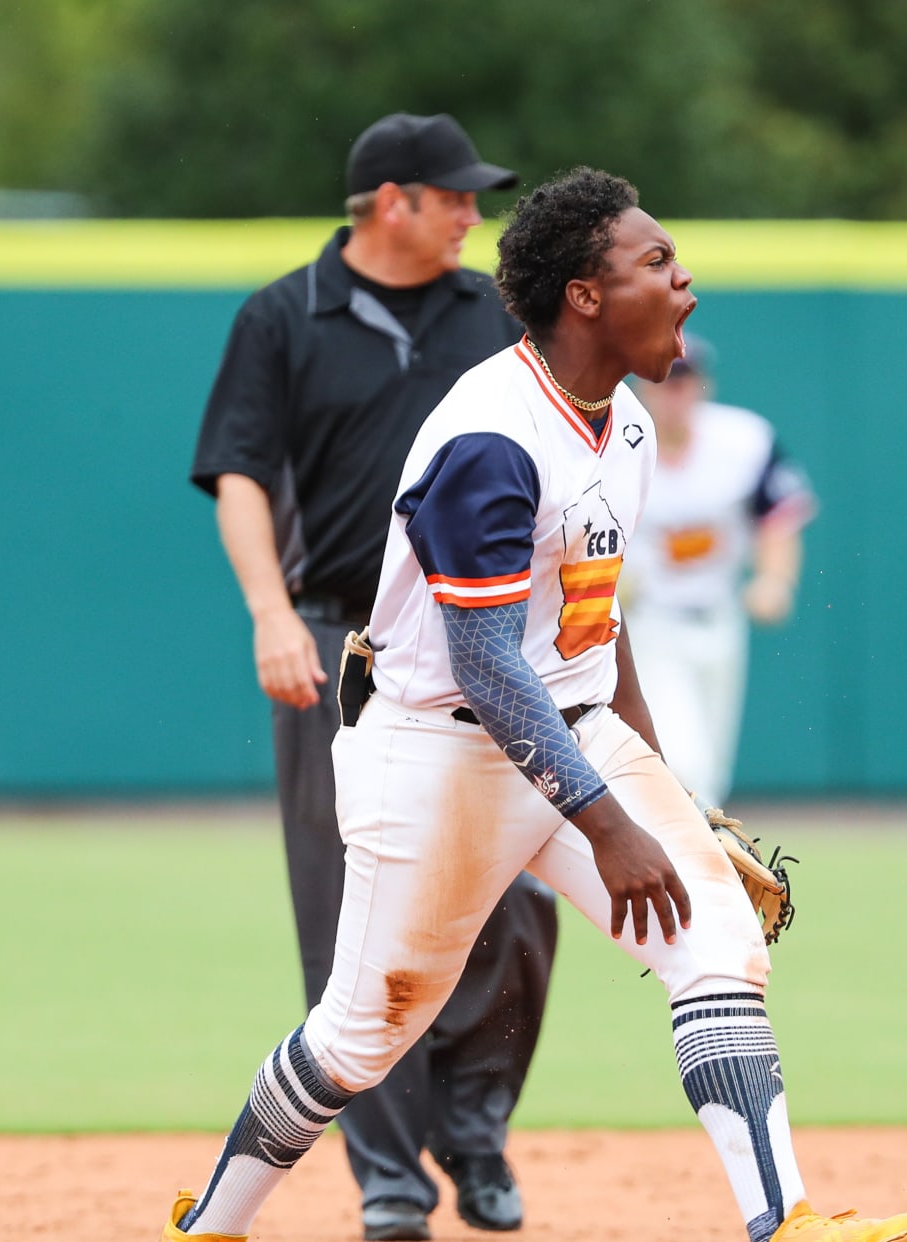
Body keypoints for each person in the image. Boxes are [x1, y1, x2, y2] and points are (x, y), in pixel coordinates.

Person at [162, 167, 907, 1242]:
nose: (686, 283)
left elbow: (597, 623)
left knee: (718, 944)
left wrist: (666, 793)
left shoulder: (620, 419)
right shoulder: (492, 440)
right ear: (585, 294)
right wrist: (609, 821)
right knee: (362, 1035)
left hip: (572, 728)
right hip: (435, 754)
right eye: (657, 264)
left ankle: (788, 1221)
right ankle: (209, 1224)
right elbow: (487, 664)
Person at [189, 112, 553, 1241]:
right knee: (349, 919)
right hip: (343, 644)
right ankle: (391, 1178)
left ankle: (477, 1131)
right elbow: (240, 474)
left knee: (523, 900)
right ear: (391, 201)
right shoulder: (284, 315)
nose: (473, 216)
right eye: (455, 198)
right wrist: (269, 615)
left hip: (486, 648)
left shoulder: (495, 314)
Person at [625, 337, 816, 806]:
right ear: (643, 387)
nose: (675, 392)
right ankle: (698, 868)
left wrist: (775, 580)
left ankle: (698, 864)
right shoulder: (618, 442)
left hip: (720, 619)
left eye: (685, 381)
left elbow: (778, 517)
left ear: (703, 386)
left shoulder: (742, 439)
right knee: (684, 763)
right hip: (649, 621)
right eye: (665, 381)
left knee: (711, 766)